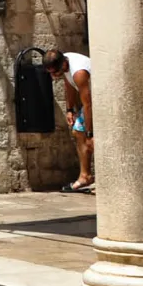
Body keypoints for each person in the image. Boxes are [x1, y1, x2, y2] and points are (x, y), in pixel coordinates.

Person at [47, 49, 95, 193]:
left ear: (63, 65)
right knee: (77, 131)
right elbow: (69, 85)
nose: (53, 76)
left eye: (54, 72)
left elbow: (88, 105)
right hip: (92, 102)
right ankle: (85, 176)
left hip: (101, 100)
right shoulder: (66, 62)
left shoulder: (79, 72)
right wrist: (70, 109)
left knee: (89, 138)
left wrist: (90, 133)